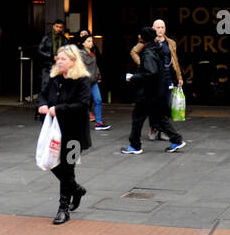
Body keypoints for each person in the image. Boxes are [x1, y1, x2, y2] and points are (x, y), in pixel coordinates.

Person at [39, 45, 93, 225]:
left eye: (63, 59)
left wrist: (59, 109)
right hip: (54, 131)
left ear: (73, 61)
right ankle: (76, 189)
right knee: (51, 164)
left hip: (75, 133)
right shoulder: (53, 77)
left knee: (68, 167)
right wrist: (43, 104)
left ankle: (63, 209)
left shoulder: (83, 80)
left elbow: (83, 105)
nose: (59, 61)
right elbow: (43, 95)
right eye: (58, 58)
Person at [121, 26, 185, 154]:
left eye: (140, 36)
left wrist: (133, 77)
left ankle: (135, 145)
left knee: (137, 119)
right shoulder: (157, 49)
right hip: (157, 91)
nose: (139, 37)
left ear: (144, 38)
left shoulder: (148, 52)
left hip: (147, 93)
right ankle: (177, 140)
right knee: (160, 118)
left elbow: (150, 73)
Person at [131, 19, 184, 140]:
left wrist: (179, 76)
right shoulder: (148, 41)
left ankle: (164, 130)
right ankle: (155, 128)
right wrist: (142, 64)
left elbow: (175, 60)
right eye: (158, 27)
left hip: (167, 76)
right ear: (153, 29)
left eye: (162, 27)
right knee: (153, 105)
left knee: (165, 105)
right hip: (154, 77)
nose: (160, 30)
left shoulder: (171, 43)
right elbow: (133, 51)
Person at [78, 32, 109, 131]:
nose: (91, 43)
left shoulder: (92, 53)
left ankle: (98, 122)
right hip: (85, 81)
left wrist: (98, 75)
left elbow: (95, 66)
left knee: (98, 100)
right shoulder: (81, 54)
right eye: (89, 41)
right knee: (83, 102)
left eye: (92, 41)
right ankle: (80, 122)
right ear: (83, 43)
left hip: (93, 81)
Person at [36, 19, 70, 98]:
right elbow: (39, 50)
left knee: (56, 88)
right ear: (53, 26)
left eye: (60, 27)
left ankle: (52, 107)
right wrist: (51, 56)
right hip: (48, 65)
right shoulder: (47, 37)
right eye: (57, 26)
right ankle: (42, 106)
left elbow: (68, 51)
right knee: (45, 86)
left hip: (59, 66)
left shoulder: (64, 39)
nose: (58, 29)